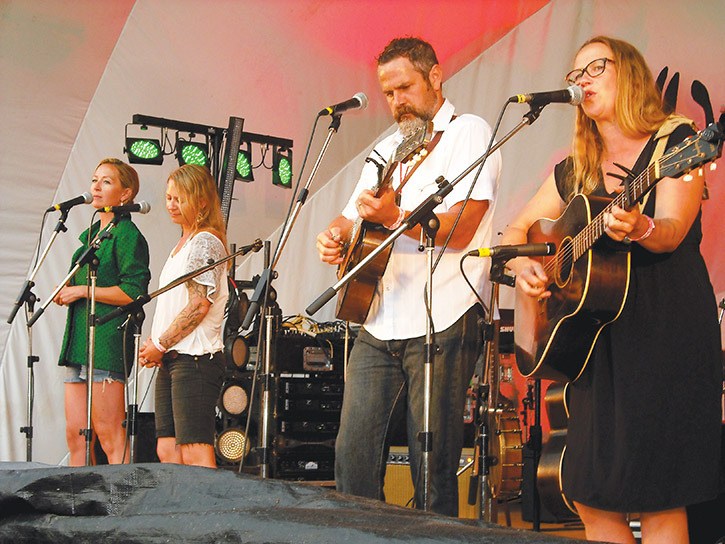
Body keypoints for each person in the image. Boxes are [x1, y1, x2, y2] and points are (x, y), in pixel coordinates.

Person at [501, 36, 722, 543]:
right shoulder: (576, 167)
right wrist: (523, 270)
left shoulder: (676, 142)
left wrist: (640, 227)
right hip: (597, 338)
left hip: (665, 330)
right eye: (575, 73)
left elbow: (669, 228)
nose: (580, 81)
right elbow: (515, 235)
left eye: (594, 68)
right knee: (587, 490)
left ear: (628, 75)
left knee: (661, 496)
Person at [316, 37, 501, 516]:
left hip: (443, 317)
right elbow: (350, 217)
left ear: (435, 76)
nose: (397, 101)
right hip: (378, 319)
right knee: (352, 457)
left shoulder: (468, 133)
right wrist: (334, 236)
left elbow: (462, 227)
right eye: (388, 92)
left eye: (405, 87)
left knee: (432, 466)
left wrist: (397, 214)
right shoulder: (385, 149)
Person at [56, 157, 151, 466]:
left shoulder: (127, 236)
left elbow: (133, 292)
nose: (96, 186)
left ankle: (119, 506)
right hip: (79, 342)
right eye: (94, 179)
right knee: (77, 434)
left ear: (126, 194)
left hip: (107, 341)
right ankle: (79, 505)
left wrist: (83, 291)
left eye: (106, 181)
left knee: (109, 433)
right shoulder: (91, 236)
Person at [139, 164, 228, 469]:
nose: (171, 205)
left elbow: (198, 305)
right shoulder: (184, 243)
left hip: (195, 359)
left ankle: (211, 514)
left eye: (180, 198)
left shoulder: (205, 242)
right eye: (168, 198)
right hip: (173, 357)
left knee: (194, 451)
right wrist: (160, 345)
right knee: (168, 449)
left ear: (202, 201)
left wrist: (160, 344)